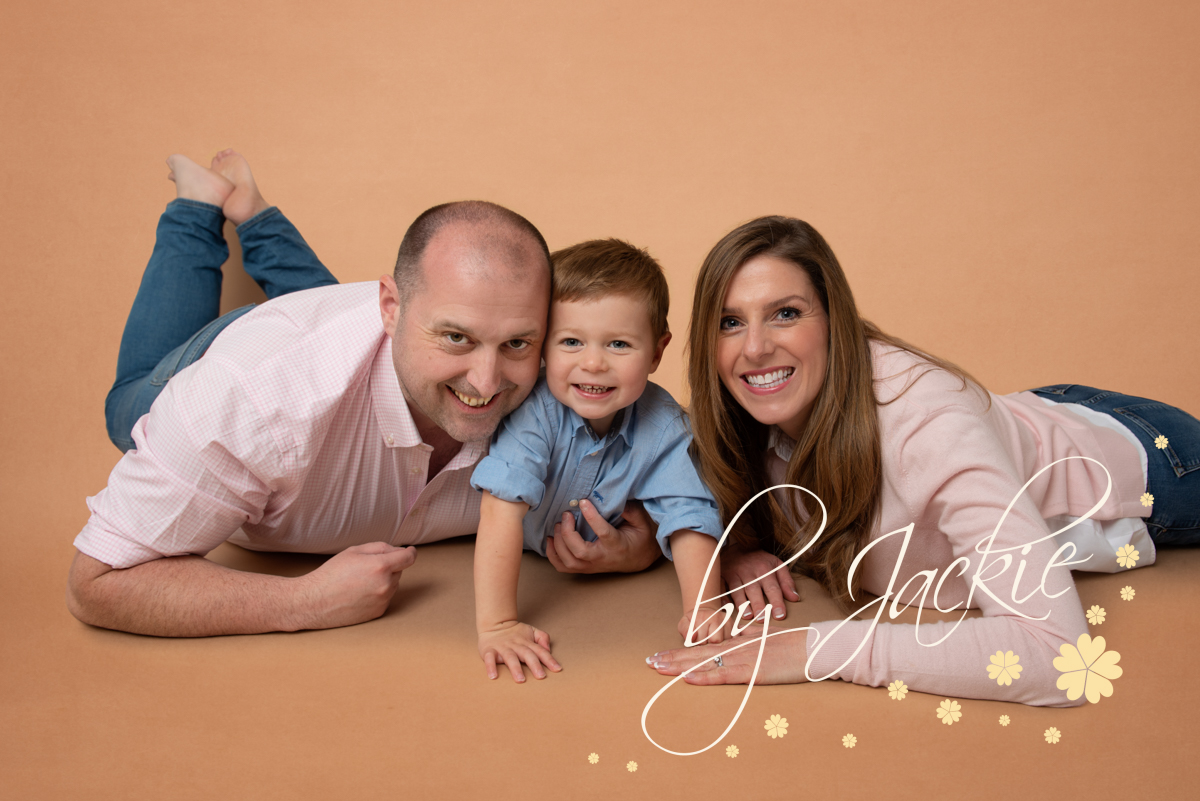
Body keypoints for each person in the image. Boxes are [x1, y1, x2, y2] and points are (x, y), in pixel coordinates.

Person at [67, 152, 661, 637]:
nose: (486, 383)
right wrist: (302, 602)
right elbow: (96, 583)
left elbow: (669, 489)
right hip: (247, 348)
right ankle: (197, 205)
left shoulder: (567, 379)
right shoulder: (247, 400)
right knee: (127, 403)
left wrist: (638, 551)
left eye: (517, 343)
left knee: (368, 338)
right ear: (390, 308)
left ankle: (257, 214)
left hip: (357, 339)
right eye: (456, 337)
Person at [648, 215, 1199, 706]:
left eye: (786, 313)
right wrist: (734, 545)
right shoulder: (739, 416)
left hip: (1151, 460)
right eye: (730, 322)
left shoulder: (929, 425)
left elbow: (1055, 656)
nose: (754, 348)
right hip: (1028, 410)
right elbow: (654, 493)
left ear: (836, 322)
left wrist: (815, 650)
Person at [470, 240, 726, 682]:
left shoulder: (665, 426)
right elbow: (500, 508)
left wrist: (704, 610)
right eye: (571, 341)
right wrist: (498, 625)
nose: (592, 363)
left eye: (619, 344)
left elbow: (689, 515)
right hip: (518, 546)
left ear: (657, 352)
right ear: (543, 346)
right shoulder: (534, 411)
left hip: (613, 561)